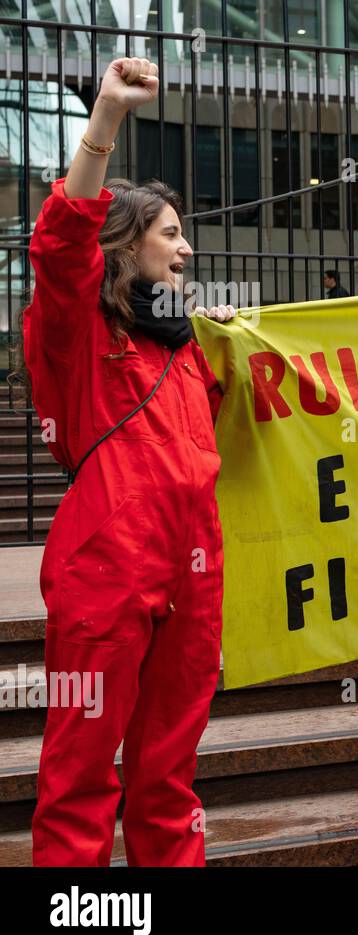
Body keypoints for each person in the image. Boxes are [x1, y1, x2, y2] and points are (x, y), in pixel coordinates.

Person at [24, 58, 235, 866]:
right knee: (81, 769)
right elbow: (62, 236)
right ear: (128, 242)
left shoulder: (184, 343)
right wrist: (106, 117)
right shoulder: (74, 325)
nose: (186, 248)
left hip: (193, 570)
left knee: (169, 772)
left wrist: (219, 336)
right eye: (172, 234)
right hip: (106, 568)